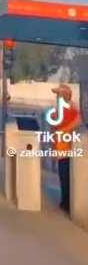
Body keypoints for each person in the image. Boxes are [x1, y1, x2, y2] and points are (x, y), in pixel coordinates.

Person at [51, 84, 81, 213]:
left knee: (67, 177)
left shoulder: (72, 111)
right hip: (60, 150)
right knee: (63, 177)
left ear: (65, 96)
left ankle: (67, 204)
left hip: (68, 151)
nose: (57, 97)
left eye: (59, 95)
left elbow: (74, 125)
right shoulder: (59, 110)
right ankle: (65, 202)